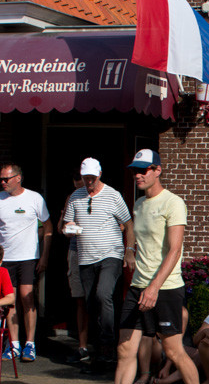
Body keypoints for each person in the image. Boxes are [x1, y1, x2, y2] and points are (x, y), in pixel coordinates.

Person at [80, 149, 209, 384]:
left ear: (158, 170)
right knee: (125, 349)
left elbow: (174, 250)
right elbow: (134, 235)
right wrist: (129, 251)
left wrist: (154, 287)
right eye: (134, 171)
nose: (138, 175)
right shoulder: (139, 204)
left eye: (144, 170)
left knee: (173, 350)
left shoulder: (173, 203)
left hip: (165, 288)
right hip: (138, 286)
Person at [62, 157, 134, 367]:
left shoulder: (113, 195)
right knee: (91, 302)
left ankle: (108, 346)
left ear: (100, 174)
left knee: (103, 294)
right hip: (85, 257)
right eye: (86, 178)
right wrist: (69, 229)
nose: (89, 182)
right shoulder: (76, 196)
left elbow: (129, 224)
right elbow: (67, 225)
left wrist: (129, 251)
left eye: (92, 178)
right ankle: (98, 351)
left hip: (110, 254)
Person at [0, 162, 52, 362]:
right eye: (1, 179)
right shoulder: (0, 199)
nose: (3, 182)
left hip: (28, 256)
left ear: (18, 178)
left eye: (6, 179)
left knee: (27, 297)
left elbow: (48, 226)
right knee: (10, 300)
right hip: (7, 258)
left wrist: (44, 256)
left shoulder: (34, 198)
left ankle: (30, 343)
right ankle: (13, 344)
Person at [57, 170, 90, 365]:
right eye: (77, 183)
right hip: (76, 250)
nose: (81, 186)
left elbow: (121, 225)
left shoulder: (104, 196)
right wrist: (69, 227)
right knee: (80, 299)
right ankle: (82, 346)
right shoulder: (71, 198)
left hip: (96, 253)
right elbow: (62, 228)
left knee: (99, 298)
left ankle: (104, 346)